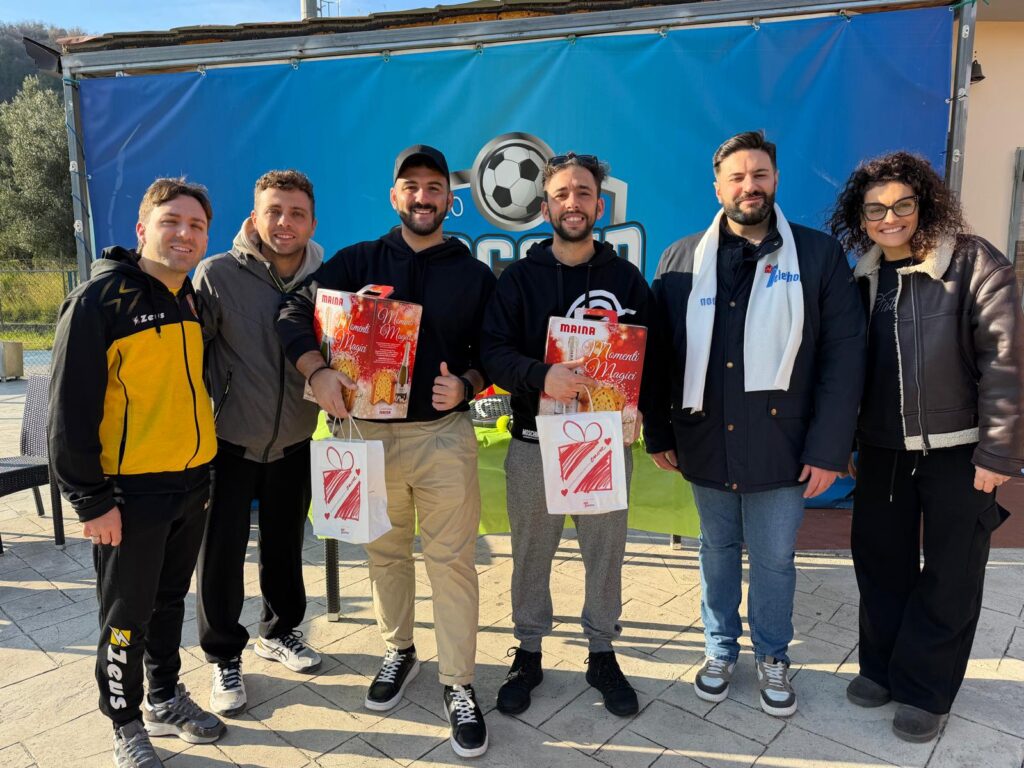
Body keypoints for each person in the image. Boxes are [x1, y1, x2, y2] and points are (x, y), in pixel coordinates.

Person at [276, 145, 496, 758]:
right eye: (411, 186)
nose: (423, 197)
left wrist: (471, 383)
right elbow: (293, 311)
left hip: (442, 438)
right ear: (394, 197)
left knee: (451, 562)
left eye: (434, 187)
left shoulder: (474, 274)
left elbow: (494, 348)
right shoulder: (355, 262)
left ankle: (459, 682)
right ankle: (399, 650)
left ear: (449, 200)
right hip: (366, 435)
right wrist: (317, 369)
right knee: (386, 553)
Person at [643, 131, 865, 717]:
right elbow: (662, 356)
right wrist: (659, 432)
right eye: (737, 177)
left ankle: (772, 654)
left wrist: (828, 448)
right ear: (717, 186)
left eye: (759, 174)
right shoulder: (680, 257)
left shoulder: (817, 256)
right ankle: (720, 648)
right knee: (716, 550)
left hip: (784, 447)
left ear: (776, 180)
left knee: (772, 558)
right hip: (705, 440)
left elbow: (844, 359)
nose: (749, 186)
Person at [828, 151, 1023, 742]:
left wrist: (997, 453)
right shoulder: (859, 276)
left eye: (902, 205)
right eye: (875, 209)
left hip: (960, 453)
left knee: (951, 574)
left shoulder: (972, 262)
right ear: (860, 217)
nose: (890, 218)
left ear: (924, 204)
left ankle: (926, 690)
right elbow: (841, 367)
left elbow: (1006, 363)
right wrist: (843, 438)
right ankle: (882, 670)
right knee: (880, 564)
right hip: (883, 450)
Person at [48, 178, 226, 768]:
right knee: (125, 615)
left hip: (193, 479)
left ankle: (164, 696)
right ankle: (123, 721)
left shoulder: (189, 297)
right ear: (142, 229)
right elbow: (70, 413)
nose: (185, 234)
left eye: (196, 225)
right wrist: (91, 501)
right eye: (171, 221)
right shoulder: (100, 301)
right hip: (130, 492)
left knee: (170, 599)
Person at [480, 152, 654, 718]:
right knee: (532, 552)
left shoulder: (626, 279)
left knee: (605, 552)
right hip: (535, 444)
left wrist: (643, 406)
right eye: (561, 194)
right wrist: (541, 376)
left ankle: (601, 651)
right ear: (545, 205)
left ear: (599, 205)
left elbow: (655, 355)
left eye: (583, 193)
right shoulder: (520, 279)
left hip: (604, 444)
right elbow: (493, 354)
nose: (572, 202)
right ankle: (528, 650)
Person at [193, 170, 324, 718]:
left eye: (296, 213)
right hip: (228, 441)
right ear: (254, 218)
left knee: (286, 545)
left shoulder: (330, 276)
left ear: (312, 221)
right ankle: (224, 655)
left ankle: (282, 631)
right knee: (220, 554)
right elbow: (190, 354)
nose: (285, 223)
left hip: (296, 438)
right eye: (274, 211)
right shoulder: (216, 274)